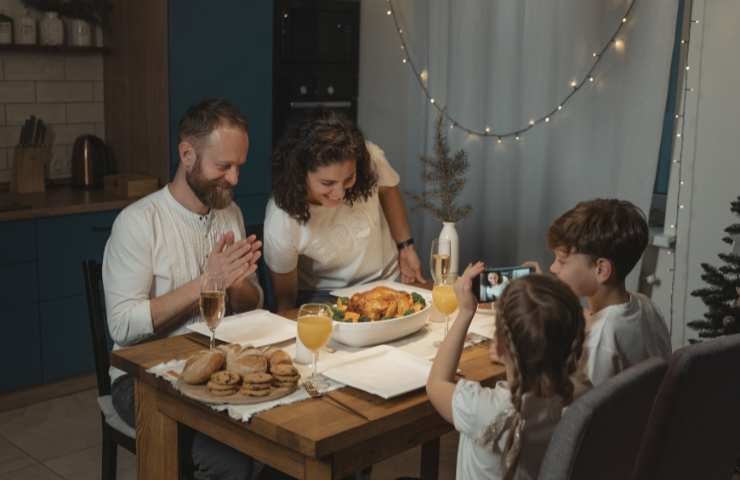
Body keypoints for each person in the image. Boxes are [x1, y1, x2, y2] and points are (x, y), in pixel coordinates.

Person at [103, 98, 264, 479]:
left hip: (216, 364)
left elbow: (253, 303)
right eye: (223, 166)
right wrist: (207, 284)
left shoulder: (231, 213)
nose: (234, 179)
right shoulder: (139, 223)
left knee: (286, 439)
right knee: (233, 460)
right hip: (142, 377)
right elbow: (123, 327)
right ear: (187, 154)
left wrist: (239, 286)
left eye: (239, 166)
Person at [427, 263, 586, 479]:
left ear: (500, 347)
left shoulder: (482, 409)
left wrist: (465, 312)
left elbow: (436, 383)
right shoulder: (578, 394)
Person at [264, 110, 424, 310]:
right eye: (327, 183)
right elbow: (286, 301)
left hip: (388, 281)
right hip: (325, 297)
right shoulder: (281, 218)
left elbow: (388, 189)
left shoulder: (369, 158)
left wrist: (406, 246)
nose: (339, 193)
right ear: (300, 174)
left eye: (348, 179)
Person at [541, 198, 671, 386]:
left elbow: (582, 412)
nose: (553, 268)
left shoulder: (600, 341)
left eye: (561, 261)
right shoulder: (645, 304)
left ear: (601, 270)